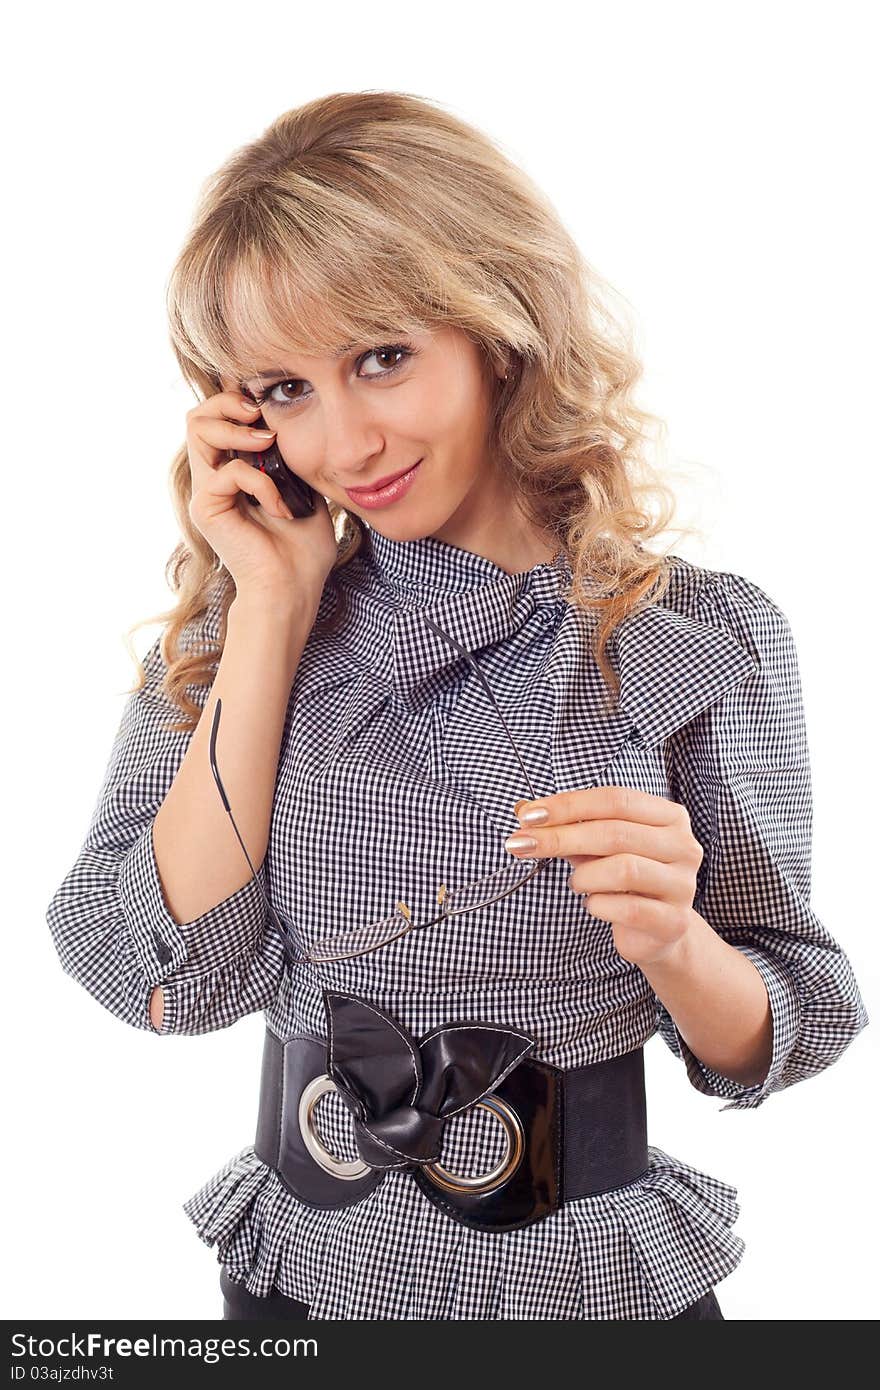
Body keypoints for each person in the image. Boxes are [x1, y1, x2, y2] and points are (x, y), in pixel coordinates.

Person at [46, 90, 868, 1322]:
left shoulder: (696, 637)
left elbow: (783, 1025)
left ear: (497, 331)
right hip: (305, 1285)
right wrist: (270, 606)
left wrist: (677, 943)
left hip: (586, 1286)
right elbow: (170, 985)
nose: (345, 440)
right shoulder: (244, 629)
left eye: (382, 358)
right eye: (283, 389)